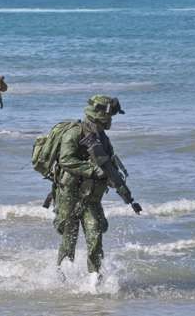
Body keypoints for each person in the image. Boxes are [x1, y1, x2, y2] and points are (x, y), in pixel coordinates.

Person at [52, 95, 142, 278]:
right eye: (109, 117)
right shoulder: (75, 132)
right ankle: (61, 277)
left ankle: (95, 277)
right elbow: (66, 160)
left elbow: (110, 168)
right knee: (69, 238)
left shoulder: (103, 138)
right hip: (70, 195)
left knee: (95, 237)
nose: (109, 121)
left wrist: (125, 193)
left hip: (92, 198)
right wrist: (93, 170)